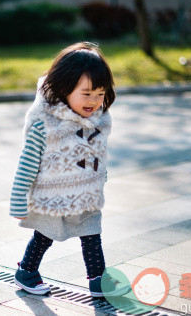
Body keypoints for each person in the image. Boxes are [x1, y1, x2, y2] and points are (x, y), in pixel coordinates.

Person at [9, 42, 128, 297]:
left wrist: (100, 177)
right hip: (51, 197)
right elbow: (26, 164)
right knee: (44, 235)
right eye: (86, 94)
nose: (94, 101)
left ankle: (98, 279)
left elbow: (97, 155)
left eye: (100, 94)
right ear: (64, 88)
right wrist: (18, 201)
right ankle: (26, 271)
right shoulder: (45, 125)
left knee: (92, 233)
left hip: (86, 196)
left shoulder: (97, 122)